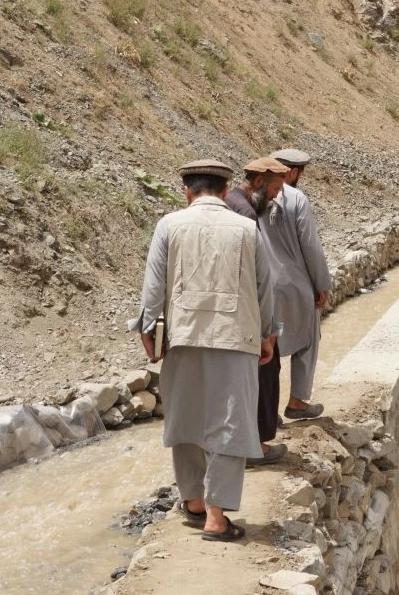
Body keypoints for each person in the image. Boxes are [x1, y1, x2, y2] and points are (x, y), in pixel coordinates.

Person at [133, 159, 277, 542]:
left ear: (187, 191)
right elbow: (266, 286)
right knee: (230, 422)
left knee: (186, 418)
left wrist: (149, 329)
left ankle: (194, 501)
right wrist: (267, 334)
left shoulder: (169, 225)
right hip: (236, 338)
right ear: (226, 188)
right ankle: (217, 516)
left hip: (182, 337)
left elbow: (153, 285)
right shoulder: (248, 228)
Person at [227, 157, 291, 466]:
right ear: (257, 184)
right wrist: (268, 329)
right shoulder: (246, 213)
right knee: (265, 370)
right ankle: (257, 446)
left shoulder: (231, 203)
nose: (278, 196)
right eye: (276, 189)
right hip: (245, 311)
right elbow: (257, 276)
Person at [264, 148, 332, 419]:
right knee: (308, 338)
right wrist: (322, 284)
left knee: (268, 346)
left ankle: (267, 415)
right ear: (292, 172)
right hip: (293, 282)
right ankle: (297, 402)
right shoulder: (296, 198)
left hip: (261, 283)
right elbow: (310, 246)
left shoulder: (253, 196)